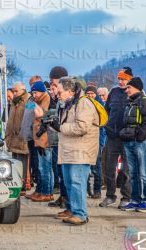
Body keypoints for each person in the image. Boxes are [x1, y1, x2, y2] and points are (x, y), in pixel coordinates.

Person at [52, 77, 99, 225]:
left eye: (60, 92)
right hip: (69, 150)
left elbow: (82, 128)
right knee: (69, 182)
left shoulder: (83, 103)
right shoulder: (69, 104)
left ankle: (80, 214)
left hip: (80, 151)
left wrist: (60, 127)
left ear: (70, 91)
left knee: (77, 182)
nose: (57, 95)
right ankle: (72, 210)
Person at [119, 77, 146, 212]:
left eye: (129, 87)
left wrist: (139, 136)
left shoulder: (144, 103)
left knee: (144, 172)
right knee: (133, 173)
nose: (126, 90)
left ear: (136, 88)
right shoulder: (129, 103)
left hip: (139, 142)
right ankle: (135, 200)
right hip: (128, 142)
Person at [100, 67, 133, 209]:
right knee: (108, 167)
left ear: (130, 79)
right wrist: (106, 126)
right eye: (119, 79)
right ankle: (110, 195)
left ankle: (126, 197)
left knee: (126, 169)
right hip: (112, 136)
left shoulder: (134, 93)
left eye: (123, 79)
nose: (120, 81)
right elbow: (105, 111)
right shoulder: (113, 92)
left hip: (126, 138)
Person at [47, 66, 69, 208]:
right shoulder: (56, 98)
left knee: (66, 173)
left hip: (66, 139)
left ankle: (68, 200)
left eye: (54, 83)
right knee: (59, 171)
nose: (52, 87)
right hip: (57, 138)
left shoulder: (67, 98)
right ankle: (62, 196)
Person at [29, 81, 54, 202]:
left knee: (46, 167)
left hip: (45, 139)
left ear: (41, 91)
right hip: (40, 139)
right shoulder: (39, 100)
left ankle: (47, 193)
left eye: (35, 92)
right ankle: (42, 191)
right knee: (41, 167)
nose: (34, 95)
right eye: (32, 92)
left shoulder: (46, 99)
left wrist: (36, 109)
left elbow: (43, 116)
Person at [5, 82, 30, 195]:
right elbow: (10, 121)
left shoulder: (29, 101)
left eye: (16, 91)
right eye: (13, 91)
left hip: (22, 138)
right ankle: (16, 184)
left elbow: (30, 118)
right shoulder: (14, 102)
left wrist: (23, 134)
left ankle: (23, 185)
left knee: (22, 163)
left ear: (23, 90)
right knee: (15, 163)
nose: (14, 93)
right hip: (13, 138)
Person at [21, 75, 43, 196]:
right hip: (29, 135)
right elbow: (27, 116)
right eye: (31, 85)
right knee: (34, 162)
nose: (32, 87)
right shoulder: (30, 99)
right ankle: (37, 187)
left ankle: (42, 188)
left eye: (34, 84)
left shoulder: (43, 98)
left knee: (39, 163)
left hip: (39, 136)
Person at [84, 85, 106, 199]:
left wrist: (101, 141)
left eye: (92, 93)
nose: (90, 95)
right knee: (85, 166)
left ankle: (97, 190)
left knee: (97, 166)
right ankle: (87, 189)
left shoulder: (100, 105)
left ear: (95, 94)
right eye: (88, 94)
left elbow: (103, 125)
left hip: (97, 139)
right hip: (85, 140)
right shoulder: (83, 104)